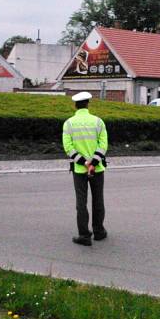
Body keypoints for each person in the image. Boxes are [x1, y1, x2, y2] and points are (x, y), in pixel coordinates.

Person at [62, 91, 108, 246]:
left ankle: (84, 235)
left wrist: (84, 163)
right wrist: (93, 163)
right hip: (98, 169)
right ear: (88, 104)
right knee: (98, 200)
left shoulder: (68, 123)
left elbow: (68, 148)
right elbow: (103, 145)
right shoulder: (98, 122)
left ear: (75, 105)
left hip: (80, 170)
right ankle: (99, 232)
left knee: (81, 203)